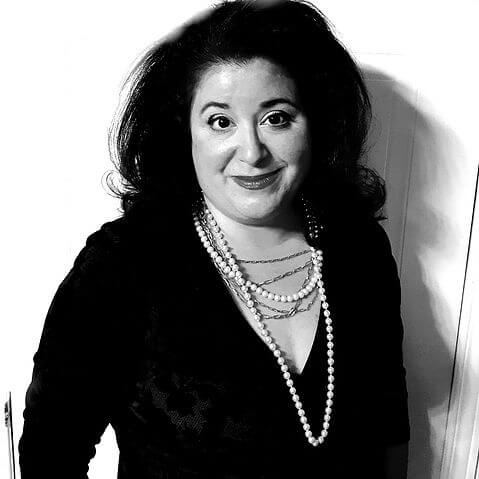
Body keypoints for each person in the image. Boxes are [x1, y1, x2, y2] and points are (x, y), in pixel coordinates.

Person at [18, 1, 410, 477]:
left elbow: (389, 429)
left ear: (317, 123)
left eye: (277, 117)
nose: (252, 151)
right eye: (220, 121)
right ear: (183, 132)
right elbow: (50, 453)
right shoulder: (122, 267)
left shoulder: (359, 248)